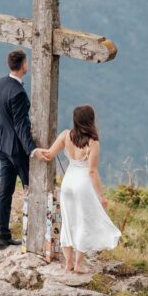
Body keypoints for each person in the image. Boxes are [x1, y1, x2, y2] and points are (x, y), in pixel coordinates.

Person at [40, 104, 121, 273]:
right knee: (82, 222)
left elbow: (49, 154)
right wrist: (101, 196)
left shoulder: (65, 135)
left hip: (68, 183)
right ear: (90, 120)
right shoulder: (92, 142)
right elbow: (92, 171)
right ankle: (78, 264)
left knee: (67, 222)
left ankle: (68, 263)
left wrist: (33, 151)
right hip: (82, 184)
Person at [0, 49, 44, 250]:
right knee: (32, 189)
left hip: (3, 145)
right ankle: (35, 236)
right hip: (17, 151)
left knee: (5, 192)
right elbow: (21, 125)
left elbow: (2, 118)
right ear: (23, 65)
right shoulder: (18, 93)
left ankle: (3, 236)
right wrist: (32, 149)